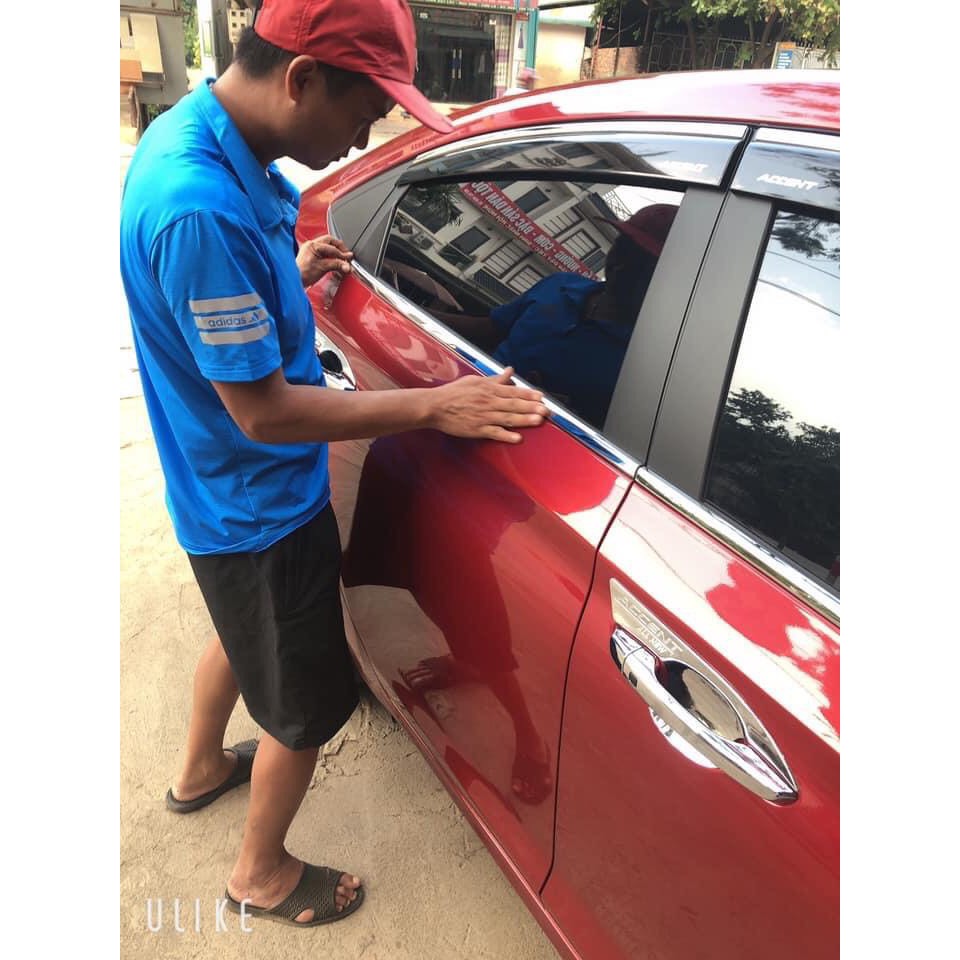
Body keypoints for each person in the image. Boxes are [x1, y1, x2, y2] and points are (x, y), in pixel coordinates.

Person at [119, 0, 548, 931]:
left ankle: (199, 770)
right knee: (304, 704)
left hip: (217, 496)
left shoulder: (192, 136)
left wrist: (288, 268)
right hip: (258, 503)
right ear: (302, 79)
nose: (364, 137)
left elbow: (222, 293)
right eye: (363, 113)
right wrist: (436, 404)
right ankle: (261, 875)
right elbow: (266, 411)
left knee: (243, 633)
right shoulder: (199, 210)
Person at [433, 203, 678, 428]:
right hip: (456, 400)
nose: (621, 263)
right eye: (622, 246)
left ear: (664, 276)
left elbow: (618, 435)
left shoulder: (648, 362)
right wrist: (415, 314)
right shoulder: (560, 284)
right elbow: (490, 328)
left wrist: (565, 413)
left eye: (641, 261)